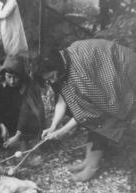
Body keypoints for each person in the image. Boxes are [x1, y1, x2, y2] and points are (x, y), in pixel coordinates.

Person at [37, 39, 136, 182]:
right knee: (95, 117)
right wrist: (53, 126)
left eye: (52, 77)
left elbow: (90, 112)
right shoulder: (64, 65)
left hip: (125, 73)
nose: (52, 81)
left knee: (105, 118)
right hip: (110, 75)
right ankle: (88, 161)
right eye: (48, 80)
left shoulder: (80, 70)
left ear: (55, 66)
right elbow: (63, 98)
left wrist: (62, 131)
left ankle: (92, 166)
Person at [0, 55, 45, 164]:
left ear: (22, 76)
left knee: (30, 133)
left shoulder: (28, 87)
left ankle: (20, 140)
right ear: (4, 75)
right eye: (9, 76)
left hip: (23, 124)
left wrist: (18, 135)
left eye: (16, 77)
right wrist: (2, 126)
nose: (12, 81)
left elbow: (26, 113)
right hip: (5, 122)